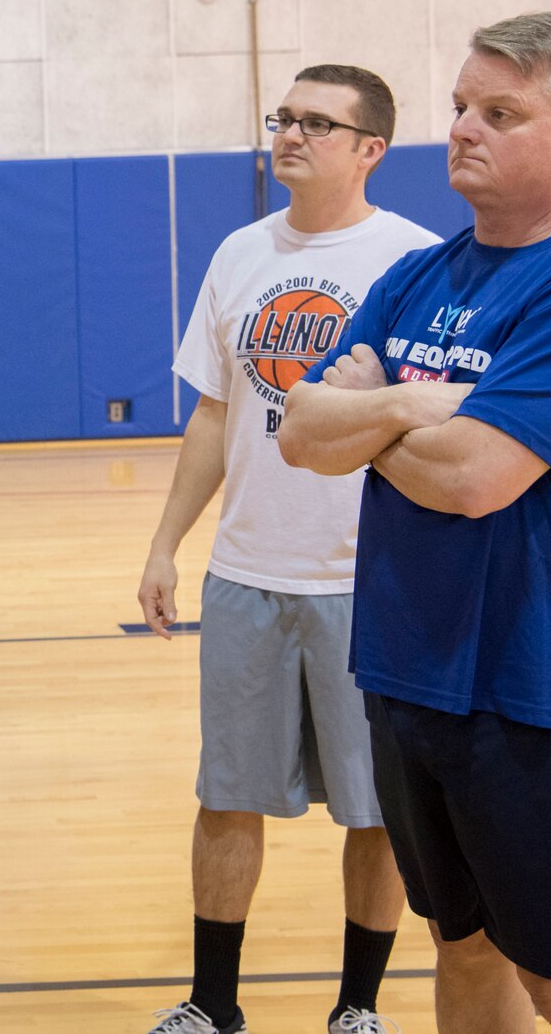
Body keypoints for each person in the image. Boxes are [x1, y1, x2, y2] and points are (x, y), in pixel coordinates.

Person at [278, 12, 551, 1034]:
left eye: (499, 113)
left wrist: (365, 414)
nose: (462, 129)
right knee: (459, 947)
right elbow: (299, 433)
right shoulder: (415, 276)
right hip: (405, 673)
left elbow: (473, 479)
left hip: (530, 693)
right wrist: (412, 408)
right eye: (459, 106)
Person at [138, 66, 438, 1034]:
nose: (291, 134)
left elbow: (434, 424)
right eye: (284, 117)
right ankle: (211, 1004)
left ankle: (355, 1008)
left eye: (318, 122)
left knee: (375, 810)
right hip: (244, 576)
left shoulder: (414, 262)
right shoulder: (236, 253)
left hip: (369, 582)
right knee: (225, 797)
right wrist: (163, 545)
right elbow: (213, 412)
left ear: (368, 149)